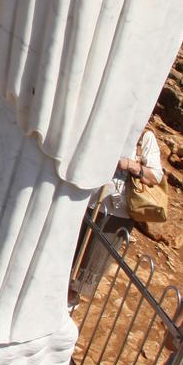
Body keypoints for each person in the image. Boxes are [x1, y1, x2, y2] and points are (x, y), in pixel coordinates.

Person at [70, 127, 163, 304]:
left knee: (91, 262)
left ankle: (69, 301)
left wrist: (129, 165)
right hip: (84, 201)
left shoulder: (145, 136)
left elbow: (155, 176)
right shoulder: (109, 123)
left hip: (116, 214)